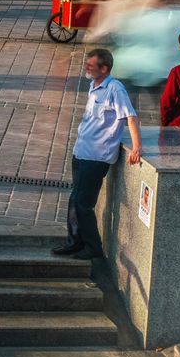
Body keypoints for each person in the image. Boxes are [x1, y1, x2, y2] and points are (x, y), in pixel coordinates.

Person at [52, 48, 143, 261]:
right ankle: (74, 242)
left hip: (96, 157)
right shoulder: (94, 86)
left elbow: (130, 117)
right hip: (81, 152)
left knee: (84, 203)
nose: (86, 67)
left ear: (105, 68)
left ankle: (93, 247)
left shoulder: (115, 89)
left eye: (91, 65)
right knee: (75, 200)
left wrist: (137, 147)